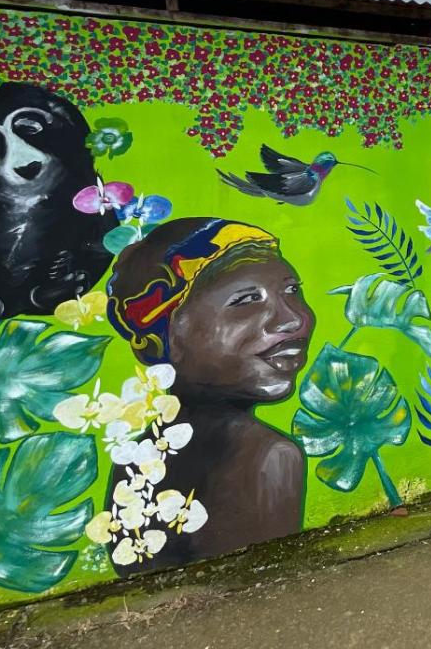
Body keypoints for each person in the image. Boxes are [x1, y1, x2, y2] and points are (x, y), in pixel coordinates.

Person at [104, 217, 313, 569]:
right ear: (163, 338)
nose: (292, 319)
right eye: (246, 300)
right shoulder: (268, 458)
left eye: (292, 291)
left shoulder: (137, 458)